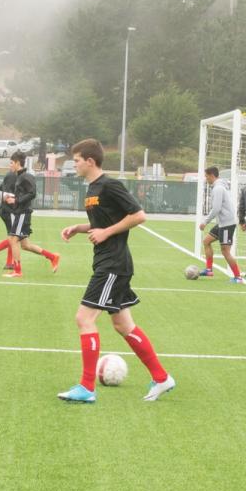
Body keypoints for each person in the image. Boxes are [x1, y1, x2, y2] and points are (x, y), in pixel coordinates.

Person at [57, 138, 175, 403]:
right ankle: (161, 377)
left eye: (76, 160)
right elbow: (101, 223)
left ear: (90, 161)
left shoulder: (110, 185)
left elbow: (138, 215)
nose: (73, 164)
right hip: (108, 263)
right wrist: (79, 227)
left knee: (84, 318)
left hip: (113, 265)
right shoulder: (92, 189)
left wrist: (106, 232)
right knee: (123, 324)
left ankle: (86, 387)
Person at [0, 152, 60, 278]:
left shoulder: (26, 176)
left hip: (23, 213)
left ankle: (17, 270)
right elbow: (23, 194)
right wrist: (12, 198)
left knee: (13, 239)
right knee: (25, 245)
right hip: (19, 213)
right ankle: (53, 257)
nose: (10, 165)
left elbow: (32, 193)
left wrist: (16, 200)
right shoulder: (19, 177)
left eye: (11, 163)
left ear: (17, 163)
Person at [198, 166, 241, 281]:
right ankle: (209, 270)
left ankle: (238, 277)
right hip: (222, 223)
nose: (206, 178)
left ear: (212, 175)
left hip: (227, 224)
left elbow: (216, 208)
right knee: (206, 241)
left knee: (225, 251)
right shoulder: (218, 187)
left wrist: (205, 222)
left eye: (206, 176)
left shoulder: (218, 188)